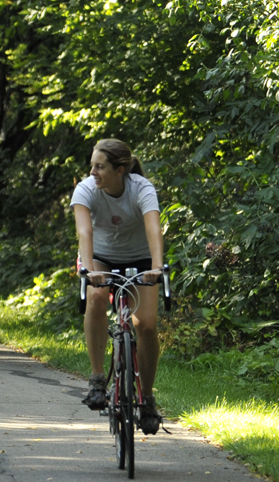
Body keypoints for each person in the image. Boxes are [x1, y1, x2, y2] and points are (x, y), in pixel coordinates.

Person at [72, 138, 167, 435]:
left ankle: (147, 398)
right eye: (92, 165)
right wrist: (88, 271)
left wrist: (156, 268)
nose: (93, 172)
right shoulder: (86, 189)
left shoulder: (142, 188)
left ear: (120, 169)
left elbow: (153, 228)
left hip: (139, 259)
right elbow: (84, 232)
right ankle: (98, 379)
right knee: (97, 298)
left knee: (147, 325)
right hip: (99, 257)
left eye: (99, 167)